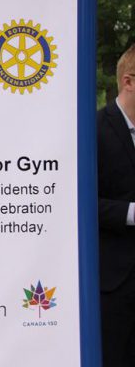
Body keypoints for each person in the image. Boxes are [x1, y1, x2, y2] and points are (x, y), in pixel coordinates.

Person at [98, 43, 135, 367]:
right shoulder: (93, 128)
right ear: (128, 81)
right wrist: (132, 214)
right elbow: (79, 203)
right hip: (114, 283)